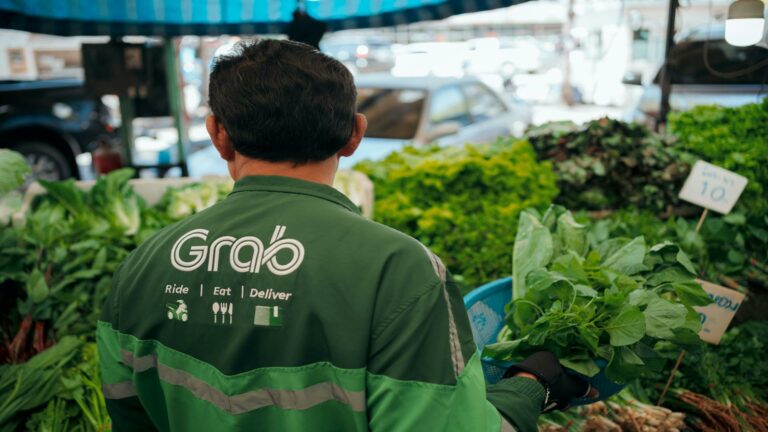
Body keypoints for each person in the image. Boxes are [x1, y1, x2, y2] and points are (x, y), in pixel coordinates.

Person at [97, 39, 591, 432]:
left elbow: (128, 413)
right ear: (354, 134)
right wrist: (529, 388)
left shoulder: (142, 265)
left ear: (216, 134)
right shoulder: (398, 269)